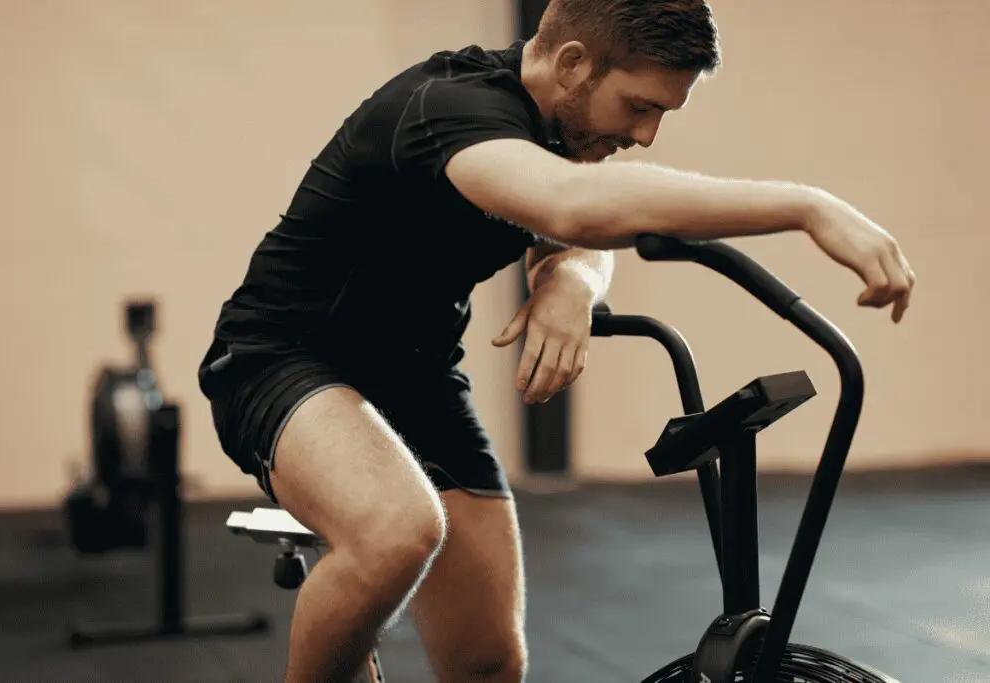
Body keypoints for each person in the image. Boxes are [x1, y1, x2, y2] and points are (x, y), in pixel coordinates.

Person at [198, 0, 916, 681]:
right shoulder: (453, 108)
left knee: (489, 662)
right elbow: (573, 206)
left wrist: (569, 280)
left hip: (416, 377)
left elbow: (574, 228)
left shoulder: (558, 130)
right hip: (281, 357)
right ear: (572, 63)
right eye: (640, 107)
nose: (644, 137)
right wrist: (805, 206)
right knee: (396, 529)